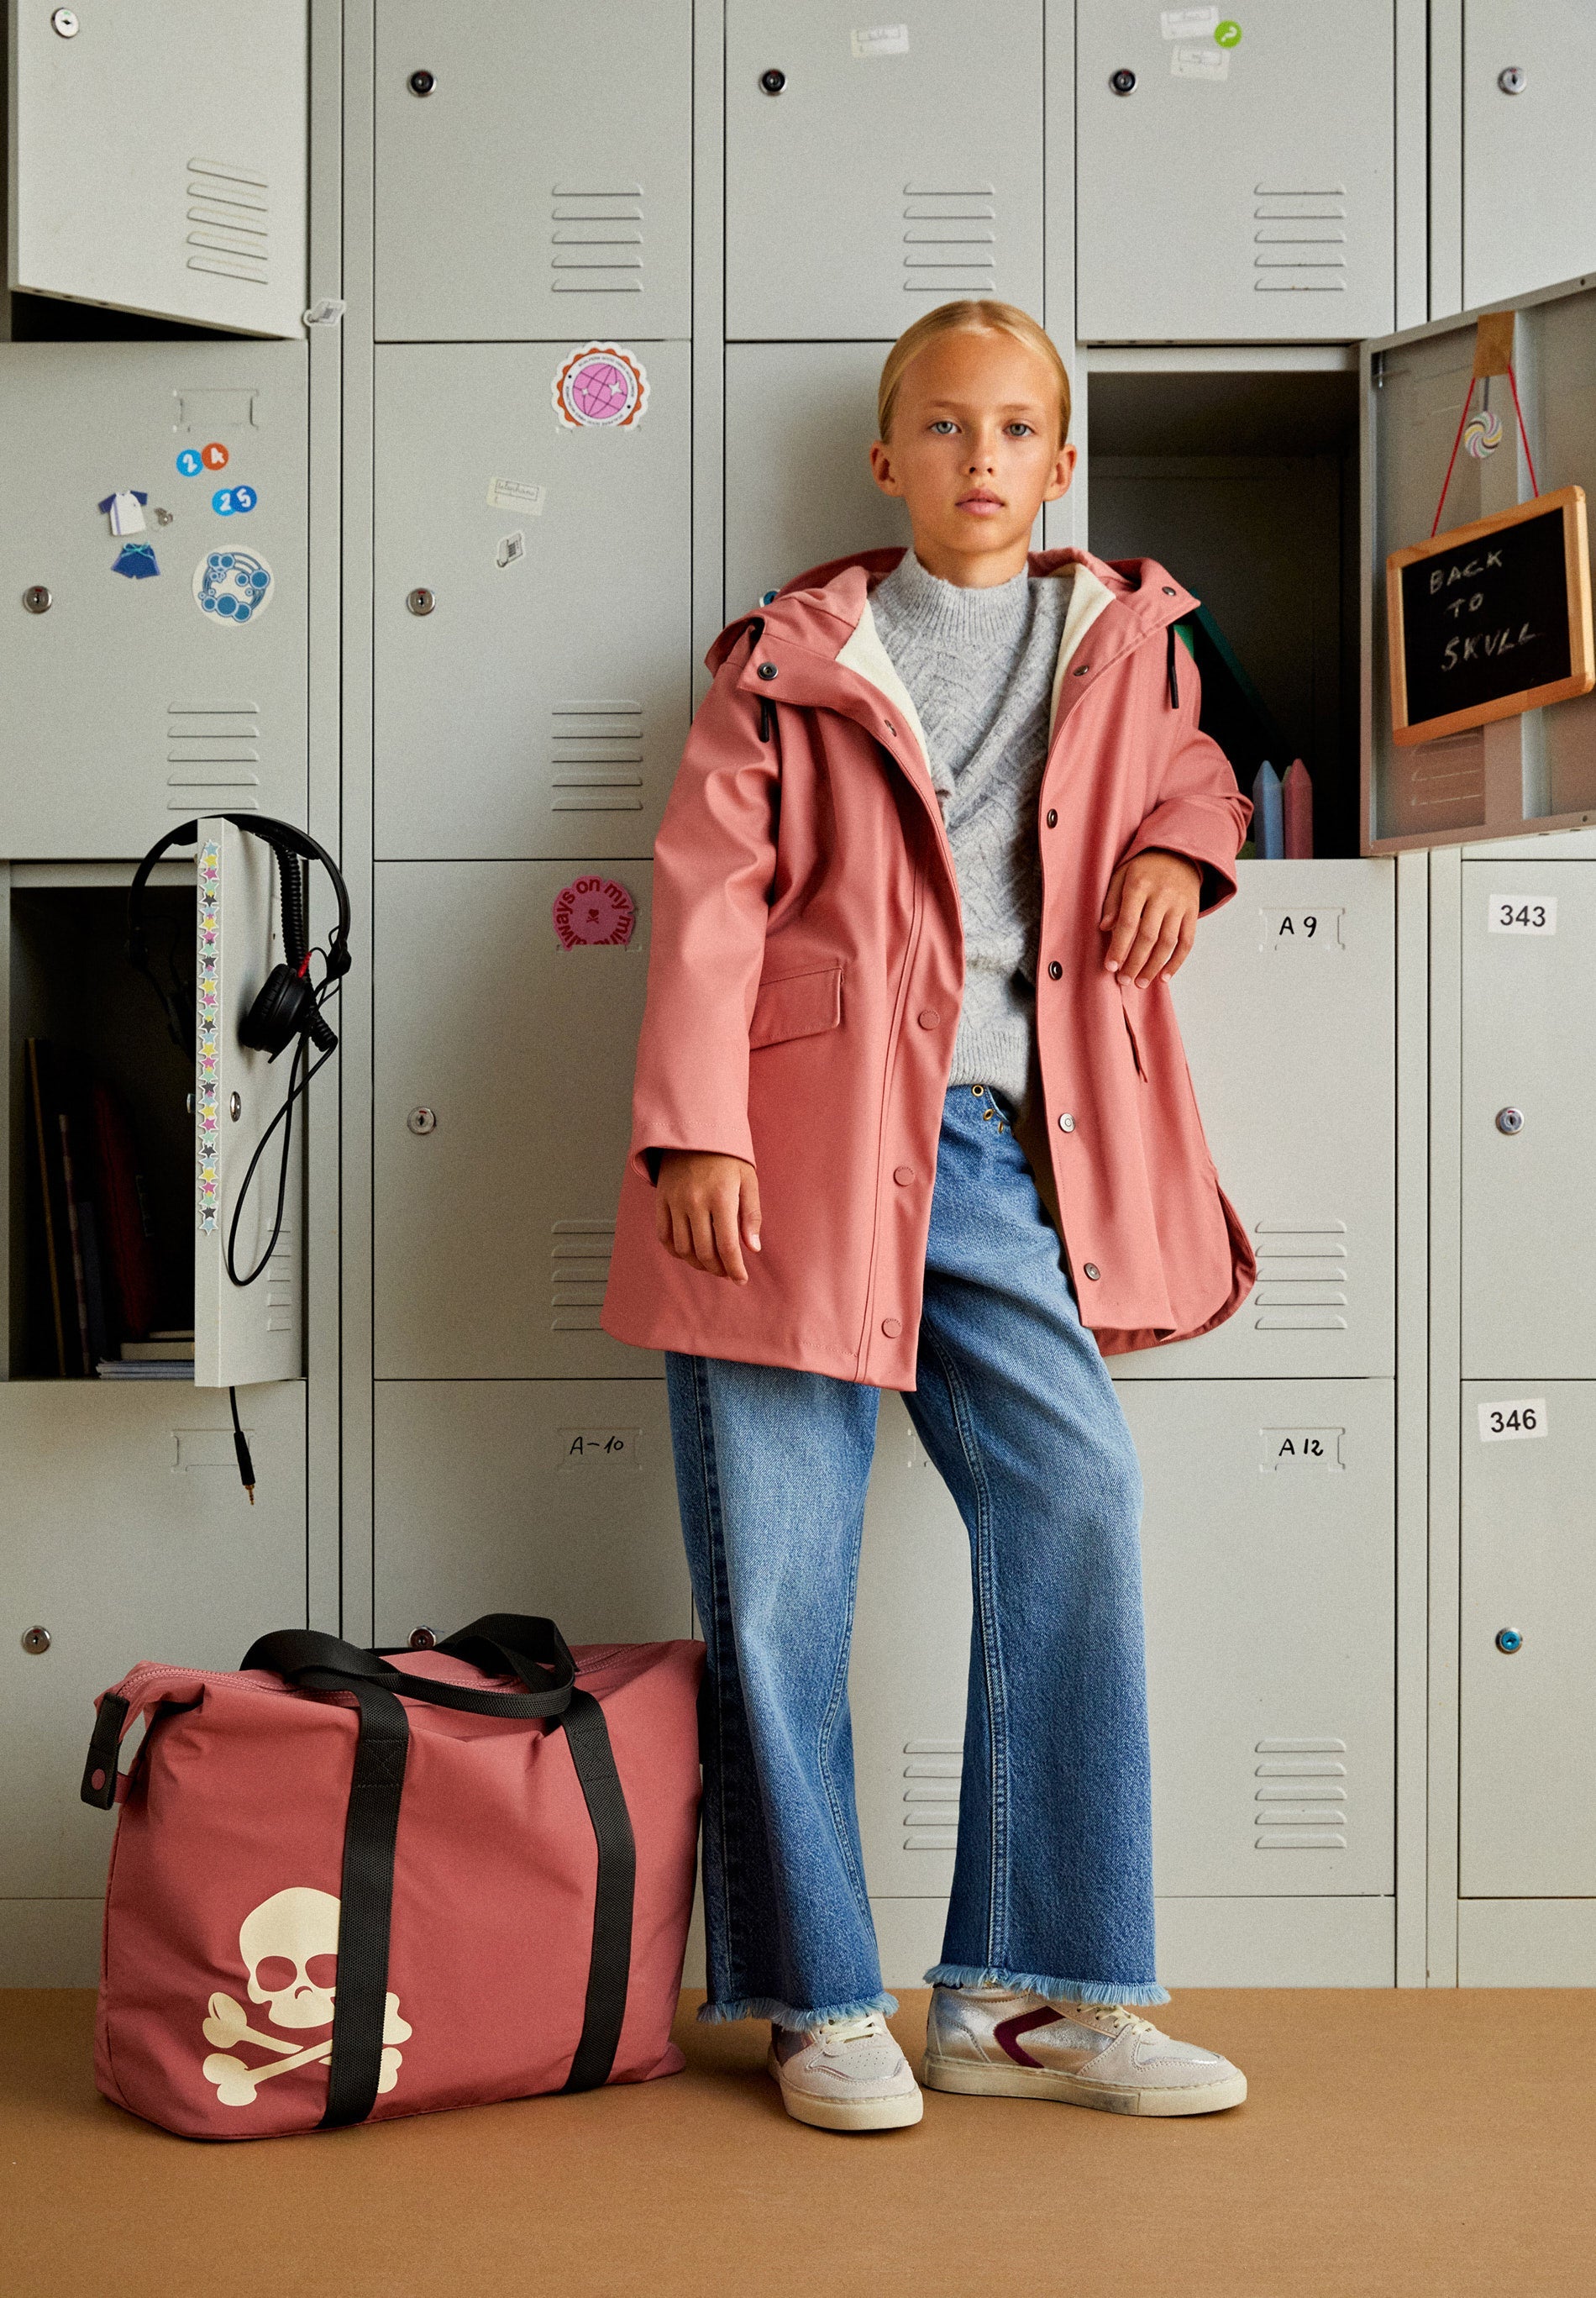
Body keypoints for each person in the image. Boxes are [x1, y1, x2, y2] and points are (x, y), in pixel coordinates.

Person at [603, 300, 1255, 2133]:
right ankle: (817, 2000)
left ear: (1065, 462)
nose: (985, 459)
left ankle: (1029, 2002)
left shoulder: (1125, 636)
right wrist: (694, 1135)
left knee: (1075, 1502)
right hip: (783, 1156)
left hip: (994, 1157)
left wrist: (1172, 847)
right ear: (885, 459)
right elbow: (708, 901)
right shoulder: (788, 656)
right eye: (947, 428)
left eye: (1021, 429)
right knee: (781, 1589)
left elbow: (1193, 769)